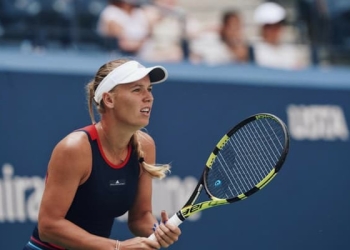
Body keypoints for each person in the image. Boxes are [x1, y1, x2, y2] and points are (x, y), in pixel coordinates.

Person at [23, 59, 182, 250]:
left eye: (149, 89)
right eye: (137, 90)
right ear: (109, 99)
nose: (148, 97)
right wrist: (117, 247)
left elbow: (140, 217)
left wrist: (157, 231)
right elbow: (48, 227)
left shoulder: (145, 146)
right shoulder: (75, 148)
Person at [251, 1, 311, 70]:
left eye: (279, 26)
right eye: (272, 27)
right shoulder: (254, 50)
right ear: (264, 28)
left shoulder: (290, 51)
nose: (277, 30)